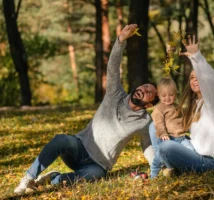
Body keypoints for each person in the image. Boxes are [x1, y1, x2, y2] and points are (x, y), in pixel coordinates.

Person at [14, 24, 159, 195]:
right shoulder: (115, 93)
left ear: (149, 104)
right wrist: (120, 41)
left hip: (98, 165)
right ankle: (28, 179)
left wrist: (156, 169)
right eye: (144, 86)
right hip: (79, 148)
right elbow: (112, 67)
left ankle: (54, 178)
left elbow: (147, 145)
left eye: (150, 92)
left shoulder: (144, 122)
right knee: (61, 140)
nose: (144, 89)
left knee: (91, 177)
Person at [149, 35, 214, 176]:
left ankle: (166, 166)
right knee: (153, 127)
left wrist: (196, 56)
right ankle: (170, 166)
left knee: (166, 147)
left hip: (209, 163)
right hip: (193, 154)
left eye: (198, 76)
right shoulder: (196, 105)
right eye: (192, 77)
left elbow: (210, 79)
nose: (195, 79)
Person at [150, 77, 194, 178]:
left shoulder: (177, 107)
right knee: (158, 158)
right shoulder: (159, 108)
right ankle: (153, 174)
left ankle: (187, 169)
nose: (167, 98)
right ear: (158, 95)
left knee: (190, 151)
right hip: (168, 139)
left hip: (181, 138)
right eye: (163, 95)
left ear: (175, 93)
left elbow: (183, 120)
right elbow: (158, 123)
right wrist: (163, 133)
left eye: (171, 95)